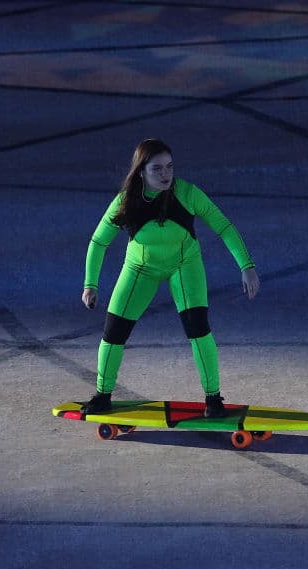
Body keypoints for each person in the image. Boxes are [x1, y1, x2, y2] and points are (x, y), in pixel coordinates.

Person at [81, 138, 260, 416]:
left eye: (170, 167)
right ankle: (102, 395)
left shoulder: (188, 194)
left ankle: (213, 400)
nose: (166, 174)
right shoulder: (125, 201)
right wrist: (90, 284)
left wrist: (246, 266)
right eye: (157, 169)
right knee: (113, 332)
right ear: (141, 171)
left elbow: (223, 226)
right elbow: (98, 241)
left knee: (198, 329)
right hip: (139, 269)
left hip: (184, 265)